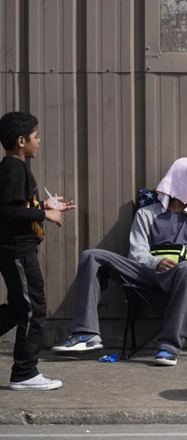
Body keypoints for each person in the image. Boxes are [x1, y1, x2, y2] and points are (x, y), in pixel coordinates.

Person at [52, 157, 187, 366]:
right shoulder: (147, 213)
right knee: (91, 256)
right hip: (150, 275)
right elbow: (137, 253)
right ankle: (86, 334)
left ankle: (169, 346)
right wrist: (155, 262)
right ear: (180, 181)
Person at [0, 111, 76, 390]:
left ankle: (25, 372)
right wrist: (46, 216)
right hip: (17, 251)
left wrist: (43, 205)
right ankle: (24, 374)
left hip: (18, 250)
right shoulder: (13, 168)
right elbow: (7, 211)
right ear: (21, 141)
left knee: (21, 307)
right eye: (35, 136)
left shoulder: (15, 168)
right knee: (34, 308)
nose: (39, 141)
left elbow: (18, 205)